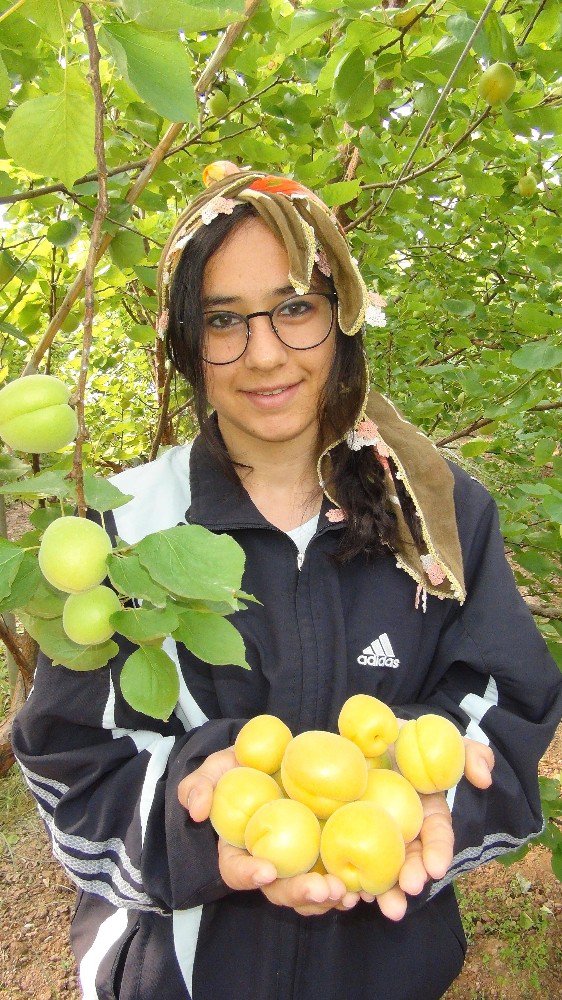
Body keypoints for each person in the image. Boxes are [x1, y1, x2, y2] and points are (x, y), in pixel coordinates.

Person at [12, 168, 562, 1000]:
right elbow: (74, 763)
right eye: (224, 321)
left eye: (294, 308)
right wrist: (202, 818)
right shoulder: (124, 534)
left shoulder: (438, 513)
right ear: (185, 341)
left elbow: (509, 706)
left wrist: (415, 786)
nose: (263, 352)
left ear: (341, 316)